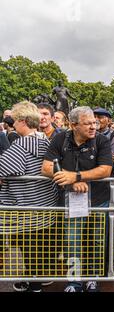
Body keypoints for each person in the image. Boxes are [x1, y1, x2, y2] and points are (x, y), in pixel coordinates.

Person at [41, 106, 113, 292]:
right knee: (73, 241)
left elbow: (105, 169)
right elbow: (46, 167)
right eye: (87, 123)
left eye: (94, 123)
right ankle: (74, 281)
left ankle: (94, 278)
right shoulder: (60, 139)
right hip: (71, 200)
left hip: (99, 200)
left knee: (97, 241)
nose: (93, 127)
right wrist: (72, 181)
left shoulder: (102, 140)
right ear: (73, 125)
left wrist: (77, 176)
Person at [0, 101, 58, 292]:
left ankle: (34, 285)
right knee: (41, 251)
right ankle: (37, 282)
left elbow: (2, 168)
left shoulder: (21, 145)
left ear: (23, 121)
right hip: (46, 208)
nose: (13, 125)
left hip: (27, 211)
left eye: (15, 121)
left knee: (30, 251)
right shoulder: (45, 141)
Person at [94, 107, 114, 175]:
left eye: (100, 117)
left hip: (107, 178)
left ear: (109, 121)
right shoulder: (89, 135)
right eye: (94, 117)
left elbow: (108, 161)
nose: (96, 120)